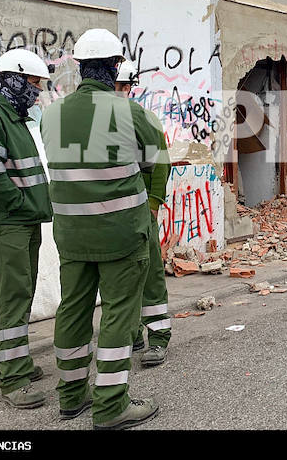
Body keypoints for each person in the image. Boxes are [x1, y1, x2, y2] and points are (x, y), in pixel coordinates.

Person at [41, 29, 166, 429]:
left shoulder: (51, 113)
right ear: (115, 68)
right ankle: (111, 405)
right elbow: (156, 159)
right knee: (117, 312)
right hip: (121, 234)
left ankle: (72, 397)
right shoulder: (131, 112)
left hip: (72, 235)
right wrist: (147, 204)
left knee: (73, 309)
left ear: (78, 68)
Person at [0, 50, 53, 408]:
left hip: (19, 221)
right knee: (14, 297)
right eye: (34, 83)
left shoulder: (13, 119)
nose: (37, 92)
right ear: (13, 79)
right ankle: (14, 378)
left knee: (7, 296)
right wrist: (21, 206)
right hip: (7, 223)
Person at [115, 61, 172, 367]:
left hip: (139, 211)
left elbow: (160, 162)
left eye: (124, 88)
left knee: (150, 275)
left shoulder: (140, 117)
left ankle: (158, 337)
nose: (121, 92)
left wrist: (153, 202)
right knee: (122, 276)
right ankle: (133, 332)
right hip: (113, 214)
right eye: (118, 86)